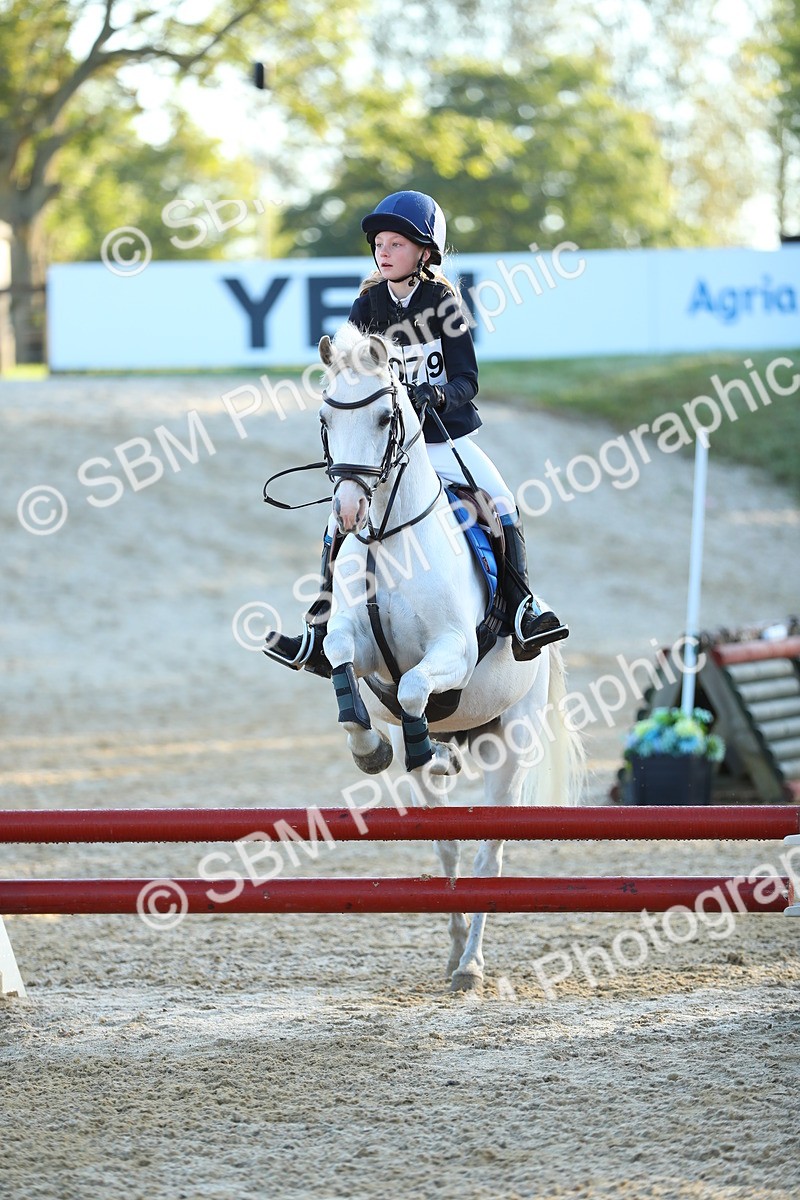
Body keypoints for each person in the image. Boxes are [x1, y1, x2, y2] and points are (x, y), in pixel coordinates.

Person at [264, 189, 567, 677]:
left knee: (502, 500)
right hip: (384, 449)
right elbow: (348, 374)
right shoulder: (366, 307)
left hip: (443, 438)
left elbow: (468, 380)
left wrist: (434, 396)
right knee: (333, 522)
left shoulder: (442, 301)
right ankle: (319, 630)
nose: (383, 252)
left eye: (395, 244)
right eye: (379, 244)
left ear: (425, 252)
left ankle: (521, 609)